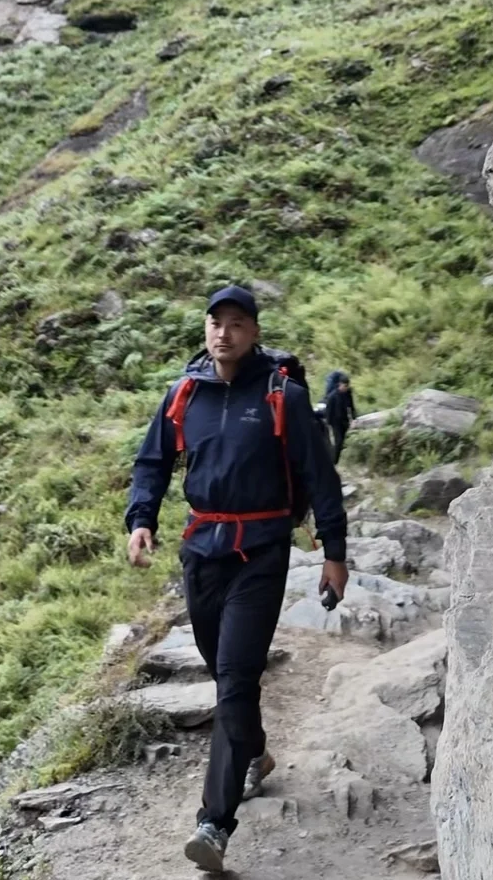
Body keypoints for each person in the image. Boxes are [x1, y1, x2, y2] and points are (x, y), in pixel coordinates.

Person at [126, 284, 349, 873]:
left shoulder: (283, 396)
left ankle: (214, 823)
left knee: (234, 676)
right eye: (215, 323)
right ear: (206, 330)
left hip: (262, 550)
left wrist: (335, 551)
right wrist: (141, 518)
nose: (224, 333)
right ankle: (254, 753)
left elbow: (319, 476)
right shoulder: (184, 393)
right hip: (201, 548)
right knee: (218, 665)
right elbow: (152, 461)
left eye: (236, 324)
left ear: (254, 332)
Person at [323, 371, 357, 464]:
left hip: (344, 420)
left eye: (347, 386)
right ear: (340, 384)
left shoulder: (347, 394)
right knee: (338, 441)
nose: (345, 388)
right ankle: (334, 462)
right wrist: (328, 423)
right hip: (335, 421)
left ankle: (335, 460)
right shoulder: (332, 396)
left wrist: (353, 419)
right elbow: (328, 410)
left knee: (342, 442)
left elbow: (351, 406)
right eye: (344, 386)